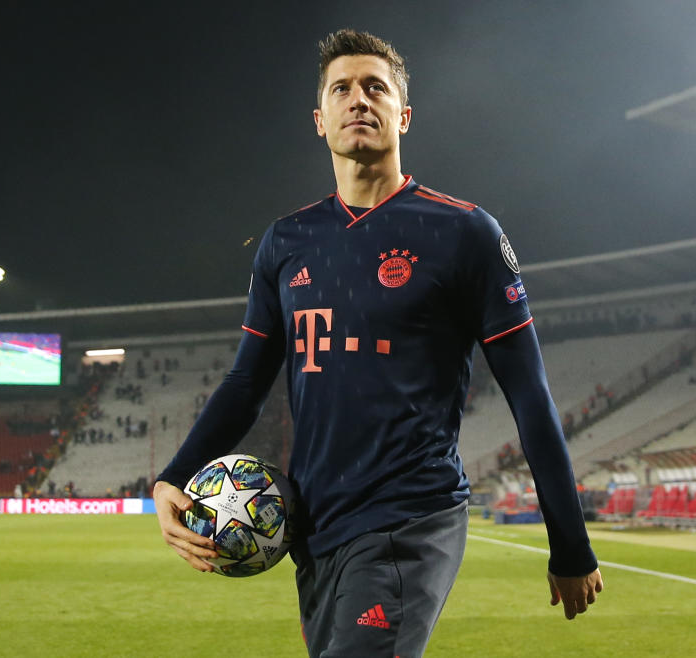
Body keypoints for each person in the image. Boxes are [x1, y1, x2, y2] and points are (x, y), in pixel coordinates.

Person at [153, 28, 603, 657]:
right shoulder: (286, 242)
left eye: (375, 87)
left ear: (404, 114)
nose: (358, 99)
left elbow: (529, 394)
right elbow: (246, 382)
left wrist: (570, 543)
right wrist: (173, 476)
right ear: (319, 119)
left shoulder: (464, 233)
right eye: (342, 88)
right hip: (313, 529)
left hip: (409, 517)